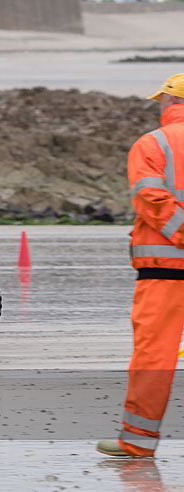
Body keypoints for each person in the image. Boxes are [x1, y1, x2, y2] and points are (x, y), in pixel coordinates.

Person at [97, 73, 184, 458]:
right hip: (164, 271)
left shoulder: (152, 144)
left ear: (171, 102)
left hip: (165, 274)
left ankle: (137, 442)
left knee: (154, 359)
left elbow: (151, 200)